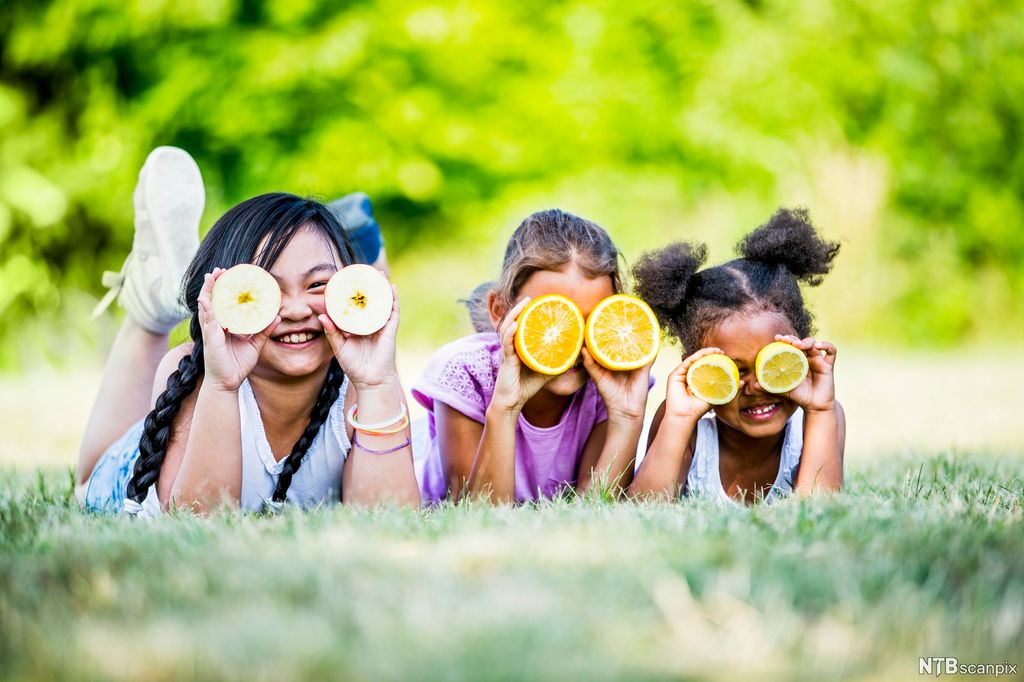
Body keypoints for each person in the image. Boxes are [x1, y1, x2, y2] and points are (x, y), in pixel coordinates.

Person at [77, 146, 418, 516]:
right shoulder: (195, 375)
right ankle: (152, 311)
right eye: (266, 289)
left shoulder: (363, 390)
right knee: (85, 483)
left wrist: (377, 383)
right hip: (139, 465)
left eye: (318, 284)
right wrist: (221, 386)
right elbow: (197, 519)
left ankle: (367, 254)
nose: (296, 309)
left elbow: (389, 515)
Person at [412, 209, 653, 504]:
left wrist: (626, 418)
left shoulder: (607, 385)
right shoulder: (466, 373)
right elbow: (478, 515)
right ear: (500, 310)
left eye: (591, 323)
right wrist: (505, 407)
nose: (572, 342)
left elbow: (593, 512)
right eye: (551, 319)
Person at [628, 208, 845, 504]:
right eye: (737, 371)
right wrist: (678, 419)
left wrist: (821, 410)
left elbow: (820, 512)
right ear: (700, 368)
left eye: (772, 363)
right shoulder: (683, 423)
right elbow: (643, 511)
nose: (757, 386)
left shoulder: (818, 419)